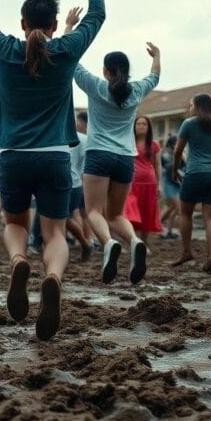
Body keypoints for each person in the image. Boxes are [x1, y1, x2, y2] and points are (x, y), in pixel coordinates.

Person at [0, 0, 111, 340]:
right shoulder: (66, 49)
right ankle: (53, 278)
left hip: (12, 156)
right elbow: (97, 16)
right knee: (55, 233)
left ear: (23, 21)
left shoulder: (5, 50)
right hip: (55, 158)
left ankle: (17, 262)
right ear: (53, 24)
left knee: (14, 224)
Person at [74, 34, 161, 284]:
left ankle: (109, 243)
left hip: (99, 155)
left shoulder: (96, 86)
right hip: (125, 158)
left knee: (93, 211)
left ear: (105, 70)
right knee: (115, 214)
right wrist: (157, 57)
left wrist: (70, 27)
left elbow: (72, 61)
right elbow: (154, 77)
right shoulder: (135, 91)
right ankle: (134, 241)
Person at [171, 93, 211, 274]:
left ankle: (186, 252)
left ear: (198, 106)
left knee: (185, 213)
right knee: (210, 218)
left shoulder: (189, 123)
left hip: (194, 174)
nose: (190, 108)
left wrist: (174, 170)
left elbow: (177, 151)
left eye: (191, 105)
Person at [130, 116, 162, 242]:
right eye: (138, 124)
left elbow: (158, 165)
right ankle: (133, 241)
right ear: (134, 126)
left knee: (147, 213)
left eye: (144, 124)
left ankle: (144, 242)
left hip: (149, 183)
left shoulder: (154, 144)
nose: (141, 126)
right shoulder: (129, 142)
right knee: (131, 212)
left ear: (148, 128)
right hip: (131, 183)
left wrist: (159, 185)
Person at [67, 111, 93, 261]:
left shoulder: (61, 137)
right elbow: (86, 163)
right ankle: (84, 241)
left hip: (69, 183)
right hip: (77, 182)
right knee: (74, 214)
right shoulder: (84, 139)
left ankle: (85, 242)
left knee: (63, 216)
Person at [159, 135, 181, 239]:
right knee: (177, 207)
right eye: (178, 142)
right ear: (173, 143)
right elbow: (168, 167)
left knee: (174, 208)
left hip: (177, 183)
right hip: (169, 183)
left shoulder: (180, 152)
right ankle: (159, 223)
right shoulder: (167, 153)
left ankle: (169, 231)